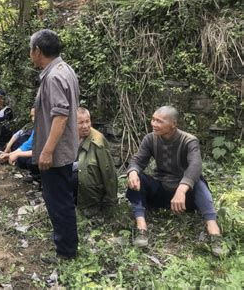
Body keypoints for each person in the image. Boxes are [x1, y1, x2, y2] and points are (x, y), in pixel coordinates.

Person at [126, 105, 225, 256]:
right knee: (136, 177)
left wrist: (182, 188)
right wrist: (132, 171)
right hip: (161, 191)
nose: (153, 124)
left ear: (173, 124)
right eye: (153, 119)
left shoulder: (189, 141)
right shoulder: (150, 138)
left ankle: (214, 232)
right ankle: (141, 228)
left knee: (198, 181)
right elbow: (138, 160)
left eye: (159, 121)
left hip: (185, 198)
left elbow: (195, 166)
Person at [29, 29, 79, 262]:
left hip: (56, 153)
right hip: (64, 148)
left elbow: (60, 116)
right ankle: (66, 245)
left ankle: (66, 252)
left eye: (31, 50)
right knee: (62, 199)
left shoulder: (53, 76)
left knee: (59, 202)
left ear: (37, 51)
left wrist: (47, 151)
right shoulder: (64, 69)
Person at [74, 108, 117, 217]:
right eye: (81, 123)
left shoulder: (98, 141)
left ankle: (93, 205)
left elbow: (108, 172)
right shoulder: (68, 137)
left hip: (93, 192)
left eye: (87, 121)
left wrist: (112, 200)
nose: (85, 126)